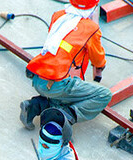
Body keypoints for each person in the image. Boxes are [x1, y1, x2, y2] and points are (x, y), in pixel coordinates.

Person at [20, 0, 112, 130]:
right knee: (103, 94)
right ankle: (62, 116)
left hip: (37, 74)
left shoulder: (58, 15)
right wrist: (100, 67)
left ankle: (34, 106)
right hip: (57, 83)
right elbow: (97, 58)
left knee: (64, 93)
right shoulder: (91, 28)